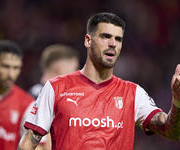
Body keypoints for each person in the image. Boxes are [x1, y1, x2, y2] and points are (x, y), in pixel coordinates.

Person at [18, 12, 180, 150]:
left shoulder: (133, 94)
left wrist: (177, 99)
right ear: (88, 40)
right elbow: (28, 143)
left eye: (118, 39)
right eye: (105, 37)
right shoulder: (56, 87)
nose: (112, 44)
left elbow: (172, 132)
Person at [0, 40, 34, 150]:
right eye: (5, 66)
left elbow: (36, 146)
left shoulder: (27, 104)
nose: (11, 74)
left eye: (16, 68)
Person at [28, 44, 80, 150]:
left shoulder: (31, 95)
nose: (77, 74)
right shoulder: (41, 99)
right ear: (59, 69)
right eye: (74, 69)